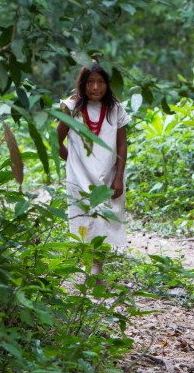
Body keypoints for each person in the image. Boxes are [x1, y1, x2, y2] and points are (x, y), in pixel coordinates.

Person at [57, 63, 130, 278]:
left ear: (108, 84)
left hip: (107, 176)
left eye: (101, 82)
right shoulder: (72, 108)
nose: (95, 87)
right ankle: (89, 264)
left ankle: (97, 267)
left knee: (103, 220)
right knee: (83, 218)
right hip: (79, 177)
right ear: (82, 84)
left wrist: (118, 177)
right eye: (90, 82)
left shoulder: (116, 109)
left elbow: (122, 145)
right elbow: (56, 140)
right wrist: (72, 161)